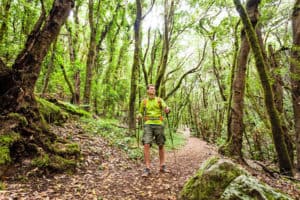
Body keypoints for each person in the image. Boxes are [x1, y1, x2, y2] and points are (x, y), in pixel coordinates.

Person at [137, 84, 170, 177]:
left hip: (159, 124)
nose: (153, 90)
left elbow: (165, 107)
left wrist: (167, 109)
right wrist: (139, 115)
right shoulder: (144, 101)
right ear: (147, 91)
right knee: (146, 144)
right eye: (151, 89)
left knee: (161, 144)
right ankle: (147, 168)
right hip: (148, 124)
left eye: (154, 89)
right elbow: (140, 112)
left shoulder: (159, 100)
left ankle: (162, 166)